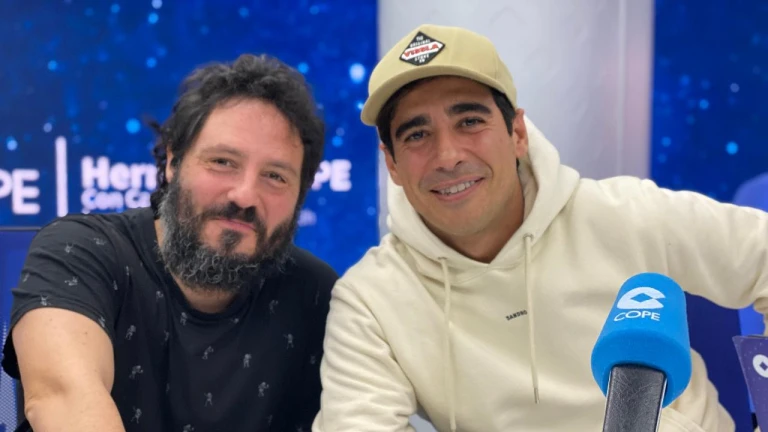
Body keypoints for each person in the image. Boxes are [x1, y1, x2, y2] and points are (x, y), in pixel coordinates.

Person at [312, 24, 768, 432]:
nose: (447, 156)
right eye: (417, 135)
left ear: (517, 133)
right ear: (392, 163)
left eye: (469, 121)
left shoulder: (625, 214)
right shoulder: (371, 300)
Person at [2, 54, 338, 431]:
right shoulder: (81, 252)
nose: (245, 195)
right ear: (174, 161)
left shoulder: (318, 295)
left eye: (275, 176)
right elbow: (65, 400)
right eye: (223, 162)